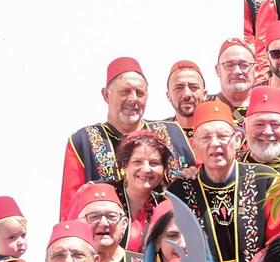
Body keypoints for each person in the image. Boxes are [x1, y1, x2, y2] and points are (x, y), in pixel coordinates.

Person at [61, 57, 195, 220]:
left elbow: (196, 181)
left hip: (164, 237)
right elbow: (70, 207)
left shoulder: (171, 132)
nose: (133, 99)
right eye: (125, 92)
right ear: (106, 95)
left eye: (140, 93)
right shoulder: (83, 141)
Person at [168, 100, 280, 262]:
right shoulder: (180, 191)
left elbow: (279, 242)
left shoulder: (266, 180)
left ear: (237, 140)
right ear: (194, 144)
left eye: (222, 136)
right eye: (205, 138)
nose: (215, 144)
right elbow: (175, 249)